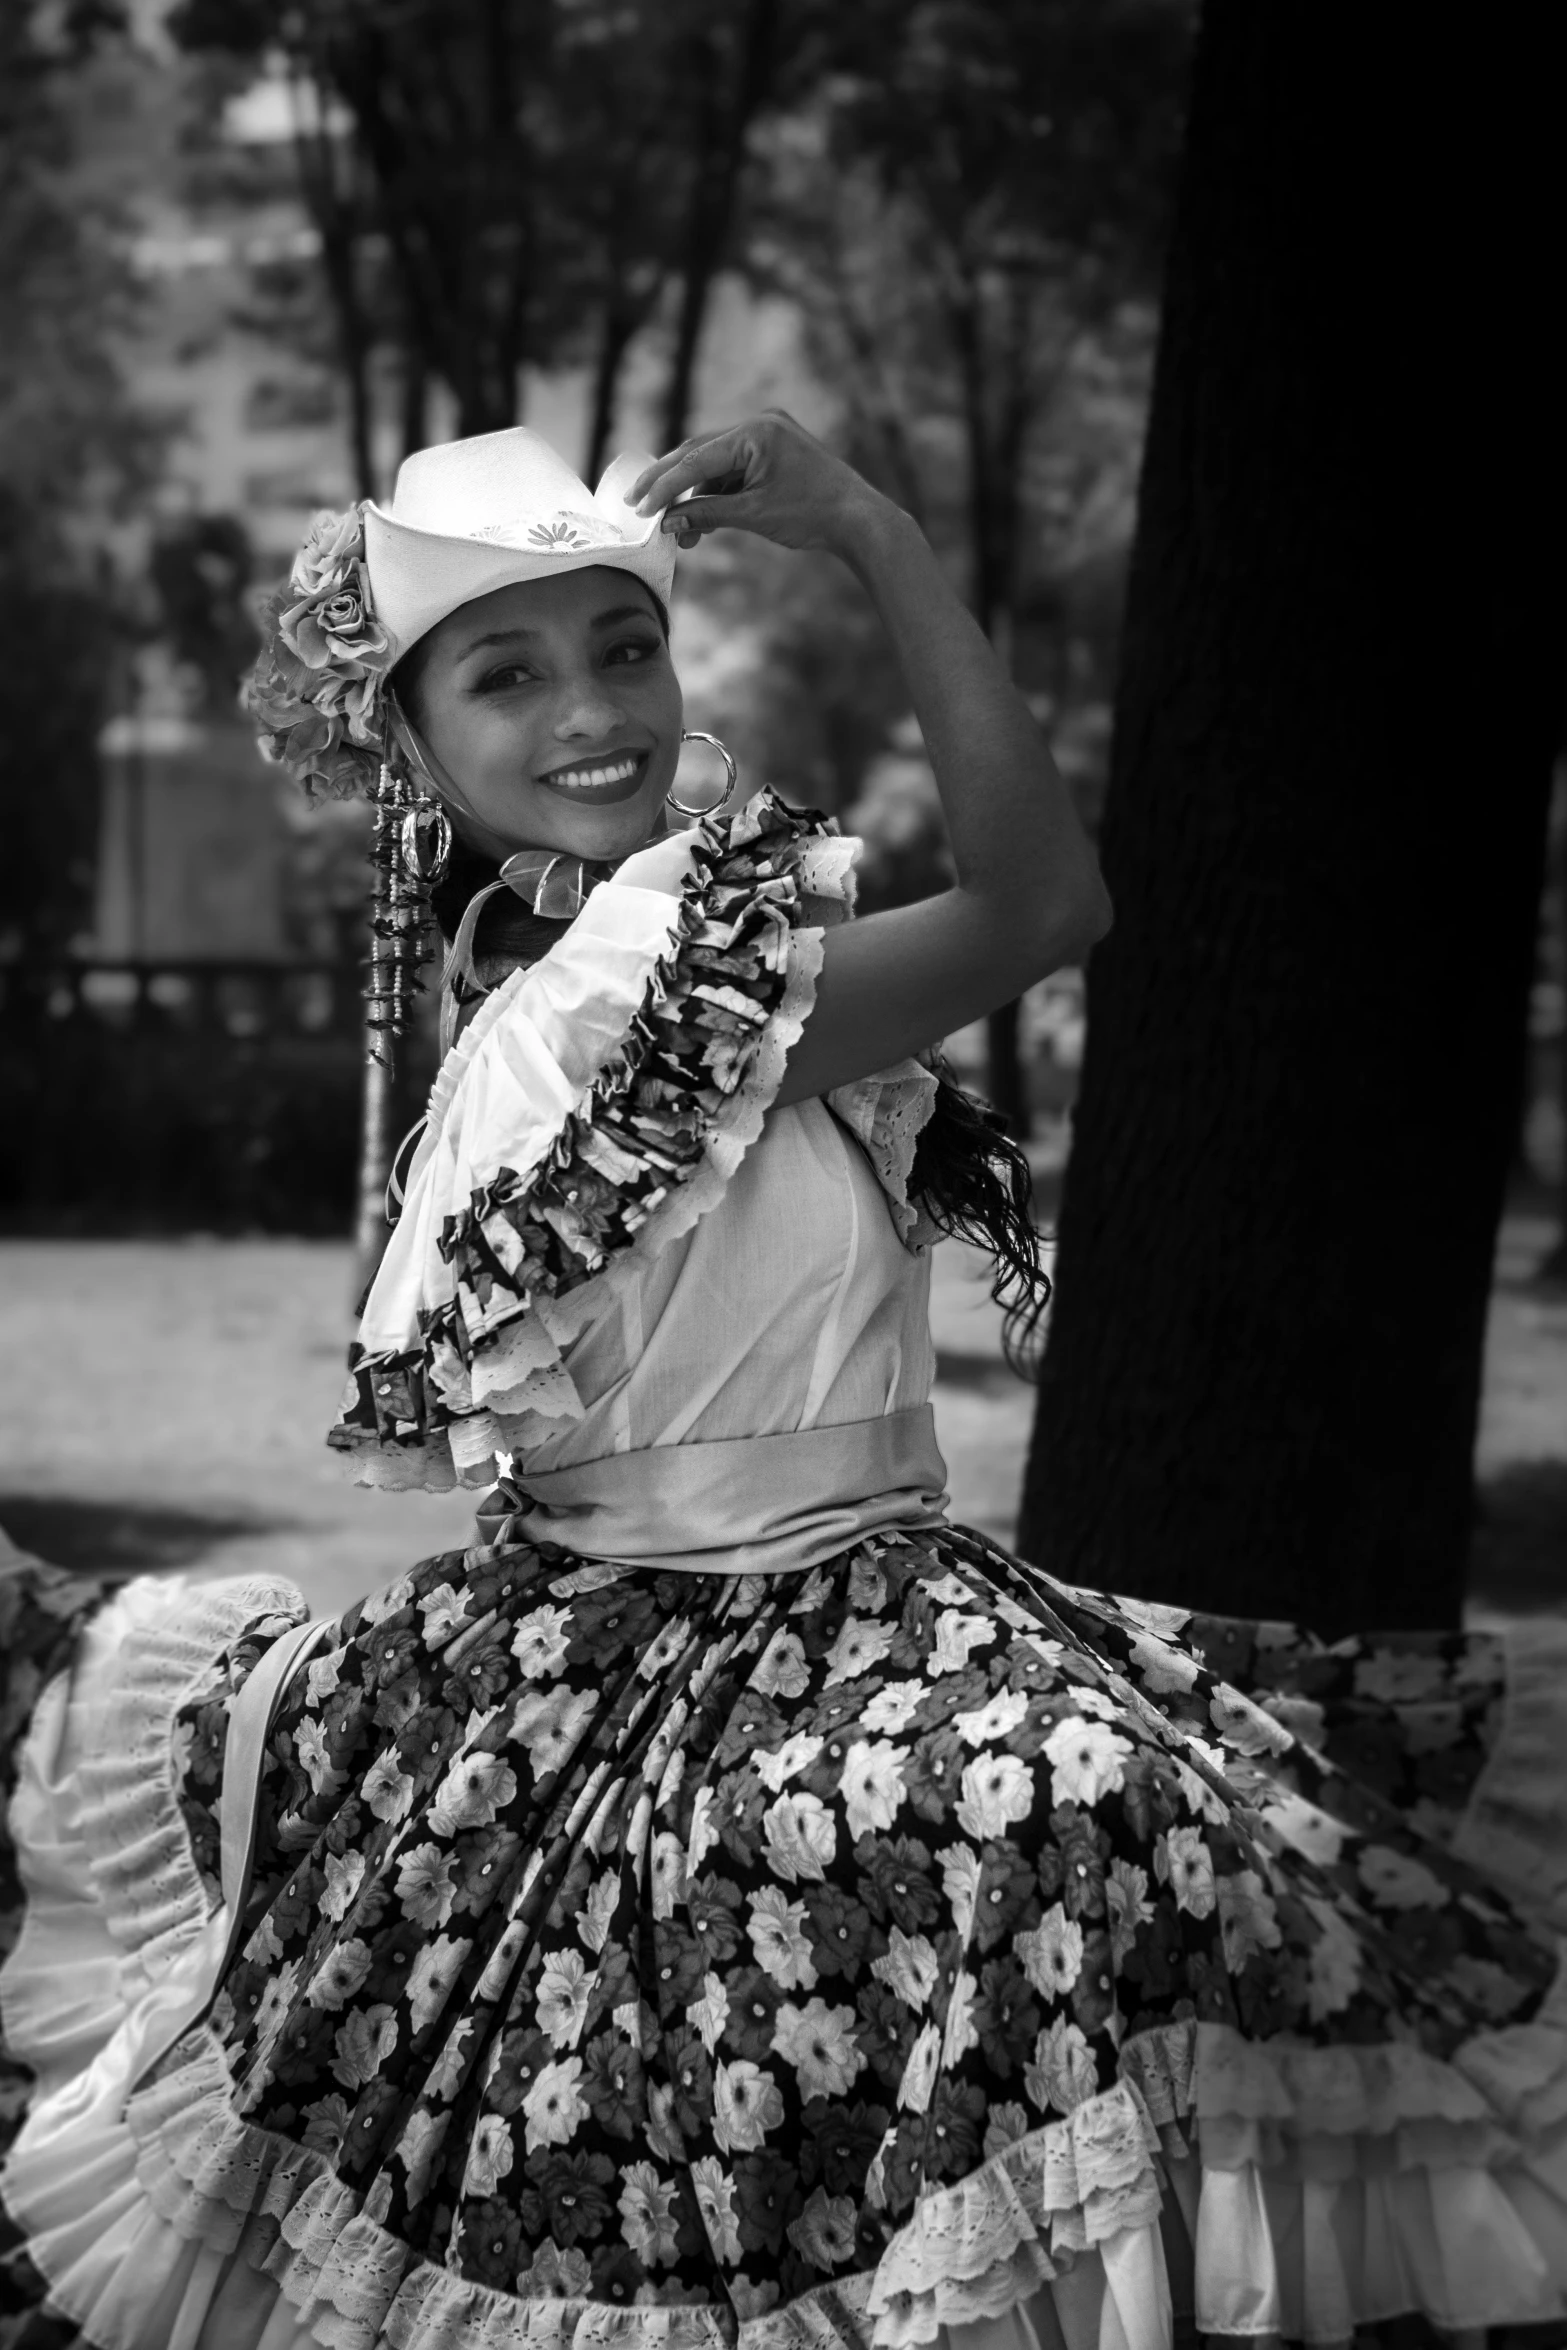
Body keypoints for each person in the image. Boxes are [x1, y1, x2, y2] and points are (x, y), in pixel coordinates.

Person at [3, 414, 1566, 2350]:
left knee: (1143, 1866)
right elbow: (1043, 905)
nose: (593, 709)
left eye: (623, 646)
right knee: (1069, 1861)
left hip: (841, 1595)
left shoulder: (659, 951)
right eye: (508, 672)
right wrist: (880, 540)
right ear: (406, 753)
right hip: (703, 1637)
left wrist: (874, 532)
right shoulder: (621, 996)